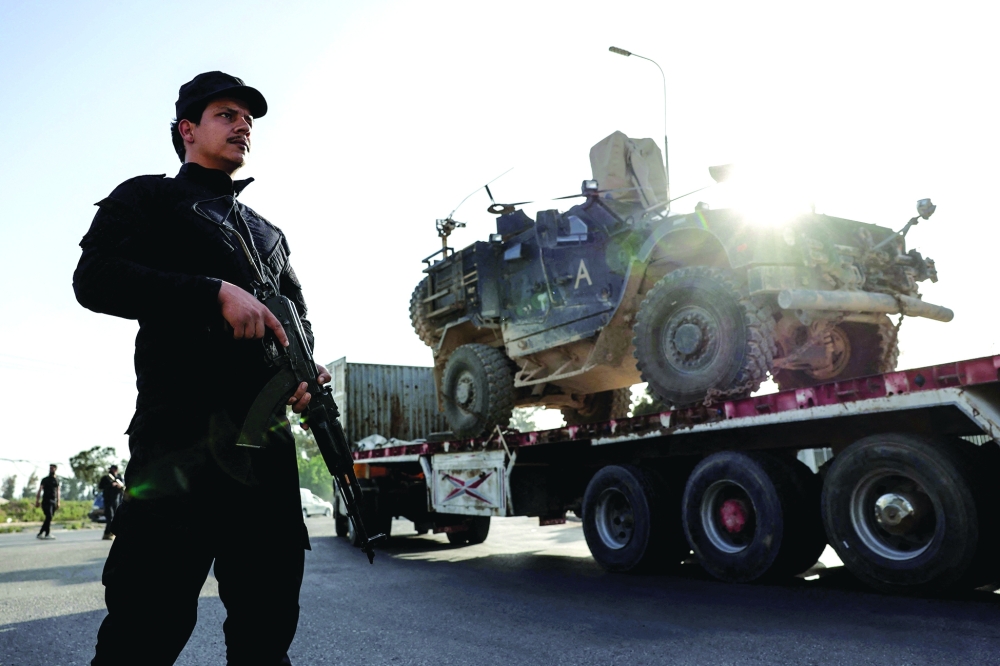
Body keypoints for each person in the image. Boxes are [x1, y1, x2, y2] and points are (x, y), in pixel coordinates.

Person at [73, 71, 330, 666]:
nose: (243, 126)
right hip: (179, 444)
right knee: (146, 624)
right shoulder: (149, 199)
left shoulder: (268, 233)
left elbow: (297, 318)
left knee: (267, 626)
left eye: (248, 119)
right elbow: (94, 279)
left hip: (263, 447)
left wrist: (304, 371)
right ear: (187, 130)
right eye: (226, 115)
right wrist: (211, 292)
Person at [97, 465, 125, 540]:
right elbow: (100, 486)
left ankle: (106, 534)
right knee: (110, 517)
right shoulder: (106, 478)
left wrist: (119, 486)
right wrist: (110, 485)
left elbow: (123, 488)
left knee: (115, 518)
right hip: (108, 501)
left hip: (116, 501)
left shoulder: (119, 478)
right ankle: (111, 533)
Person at [34, 464, 60, 539]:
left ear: (55, 469)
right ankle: (47, 534)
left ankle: (40, 533)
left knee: (49, 518)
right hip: (46, 500)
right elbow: (40, 490)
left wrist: (58, 501)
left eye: (52, 468)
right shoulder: (45, 479)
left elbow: (58, 491)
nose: (51, 470)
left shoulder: (57, 480)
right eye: (50, 468)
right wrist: (37, 501)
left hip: (53, 501)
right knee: (49, 516)